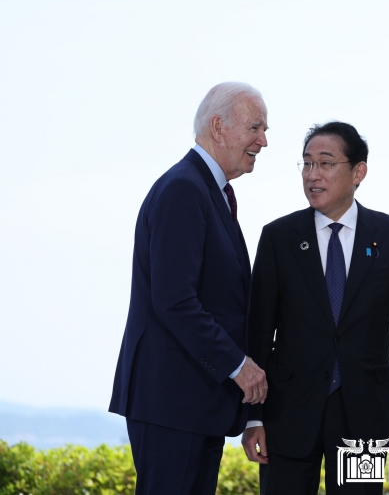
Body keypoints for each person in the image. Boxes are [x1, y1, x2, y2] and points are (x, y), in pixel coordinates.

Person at [242, 121, 389, 495]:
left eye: (325, 163)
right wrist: (253, 417)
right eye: (306, 164)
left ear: (358, 171)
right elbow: (258, 331)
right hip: (288, 411)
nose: (313, 175)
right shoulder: (279, 237)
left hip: (367, 410)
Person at [109, 82, 269, 495]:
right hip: (172, 404)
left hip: (194, 405)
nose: (263, 141)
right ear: (218, 127)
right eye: (255, 127)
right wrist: (238, 365)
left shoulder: (206, 190)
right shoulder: (184, 189)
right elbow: (175, 300)